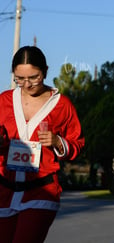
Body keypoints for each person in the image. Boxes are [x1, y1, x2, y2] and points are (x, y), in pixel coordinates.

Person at [0, 46, 85, 242]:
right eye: (19, 78)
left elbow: (77, 143)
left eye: (34, 77)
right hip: (4, 191)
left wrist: (58, 141)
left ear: (45, 71)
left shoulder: (62, 105)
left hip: (41, 192)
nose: (27, 84)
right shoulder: (3, 101)